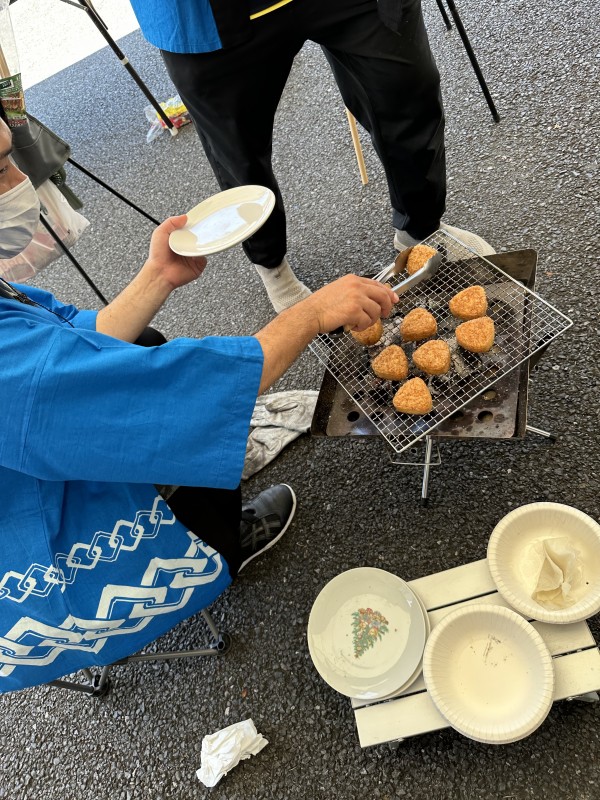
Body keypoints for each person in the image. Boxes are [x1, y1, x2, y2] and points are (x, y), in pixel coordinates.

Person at [0, 111, 398, 693]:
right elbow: (167, 395)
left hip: (29, 459)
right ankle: (218, 542)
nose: (21, 182)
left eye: (11, 158)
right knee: (186, 424)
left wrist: (157, 277)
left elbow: (79, 347)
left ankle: (209, 508)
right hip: (35, 565)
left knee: (145, 345)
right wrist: (309, 314)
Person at [128, 0, 494, 313]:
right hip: (208, 11)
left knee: (408, 94)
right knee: (237, 152)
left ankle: (421, 229)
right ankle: (272, 267)